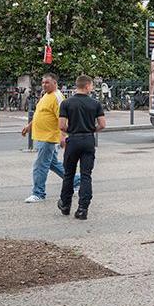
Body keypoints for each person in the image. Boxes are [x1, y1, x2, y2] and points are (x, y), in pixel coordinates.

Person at [20, 73, 79, 203]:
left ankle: (38, 193)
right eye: (43, 83)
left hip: (49, 137)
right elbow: (39, 114)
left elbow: (64, 118)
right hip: (41, 136)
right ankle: (76, 180)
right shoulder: (45, 95)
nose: (44, 85)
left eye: (47, 83)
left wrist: (63, 136)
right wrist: (29, 126)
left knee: (40, 165)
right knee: (52, 163)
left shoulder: (57, 97)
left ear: (55, 83)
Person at [57, 75, 106, 221]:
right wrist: (91, 130)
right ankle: (82, 208)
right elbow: (103, 124)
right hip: (88, 140)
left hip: (73, 139)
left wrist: (71, 130)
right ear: (87, 86)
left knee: (69, 174)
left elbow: (61, 125)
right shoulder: (95, 103)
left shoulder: (66, 103)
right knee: (86, 175)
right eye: (91, 86)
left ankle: (65, 204)